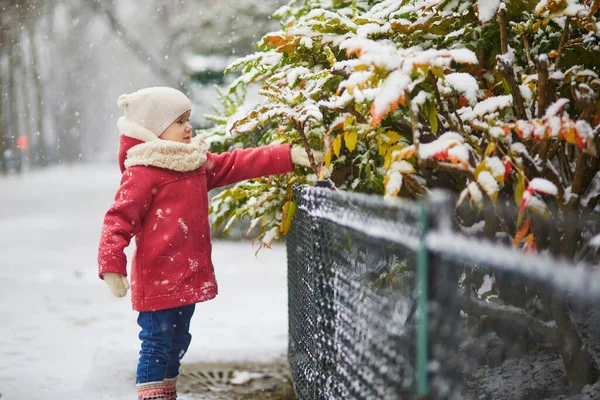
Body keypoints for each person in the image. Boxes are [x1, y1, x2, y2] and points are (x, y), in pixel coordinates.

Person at [97, 86, 321, 400]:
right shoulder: (142, 173)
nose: (189, 126)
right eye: (179, 121)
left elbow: (236, 163)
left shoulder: (193, 162)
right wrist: (111, 267)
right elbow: (117, 220)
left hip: (186, 277)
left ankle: (166, 393)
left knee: (177, 342)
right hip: (157, 279)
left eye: (188, 118)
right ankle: (152, 396)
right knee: (156, 344)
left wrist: (285, 155)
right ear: (154, 129)